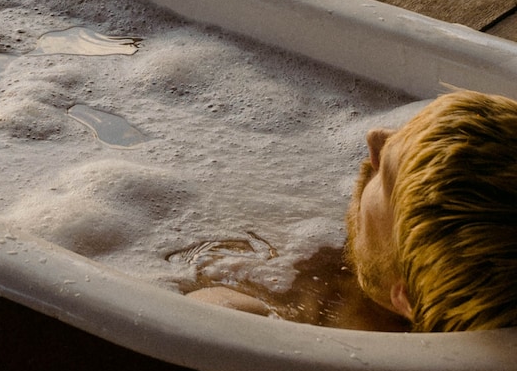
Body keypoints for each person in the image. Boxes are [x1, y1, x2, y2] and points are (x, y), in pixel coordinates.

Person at [189, 90, 517, 330]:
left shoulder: (287, 331)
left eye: (387, 174)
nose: (376, 138)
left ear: (405, 299)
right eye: (405, 131)